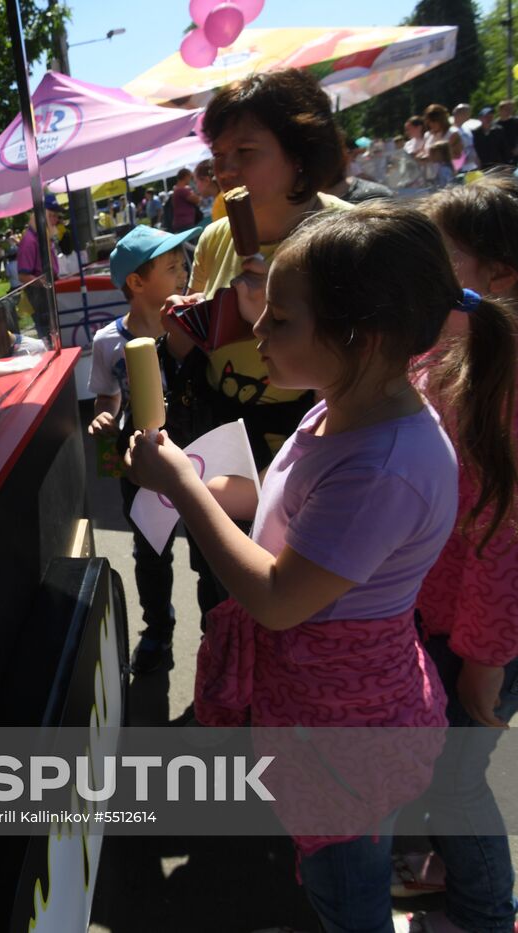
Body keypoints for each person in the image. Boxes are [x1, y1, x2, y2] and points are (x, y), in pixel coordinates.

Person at [128, 201, 512, 933]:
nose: (256, 332)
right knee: (345, 863)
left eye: (280, 320)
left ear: (358, 338)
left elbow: (276, 597)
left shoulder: (385, 463)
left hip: (344, 729)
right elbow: (287, 505)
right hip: (338, 714)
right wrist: (184, 480)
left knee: (346, 891)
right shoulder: (344, 405)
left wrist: (181, 486)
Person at [162, 67, 352, 622]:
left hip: (311, 435)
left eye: (246, 152)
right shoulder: (217, 235)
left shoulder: (345, 235)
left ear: (298, 154)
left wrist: (271, 311)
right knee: (219, 580)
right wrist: (185, 327)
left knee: (293, 598)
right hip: (222, 429)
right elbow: (188, 351)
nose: (226, 171)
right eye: (219, 155)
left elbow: (364, 362)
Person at [398, 172, 518, 933]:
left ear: (500, 276)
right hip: (438, 616)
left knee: (454, 779)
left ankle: (485, 914)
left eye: (439, 267)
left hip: (482, 633)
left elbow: (500, 536)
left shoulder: (503, 384)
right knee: (437, 769)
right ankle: (451, 868)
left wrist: (483, 655)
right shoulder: (444, 352)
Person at [88, 225, 196, 675]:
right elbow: (107, 395)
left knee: (209, 549)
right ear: (136, 281)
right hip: (144, 458)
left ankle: (220, 629)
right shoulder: (108, 341)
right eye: (172, 267)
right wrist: (103, 417)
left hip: (196, 447)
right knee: (151, 551)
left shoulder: (193, 320)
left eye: (182, 263)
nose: (184, 271)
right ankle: (157, 631)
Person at [17, 198, 61, 345]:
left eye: (56, 216)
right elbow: (23, 275)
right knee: (49, 337)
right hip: (40, 295)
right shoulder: (29, 240)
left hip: (48, 290)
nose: (56, 220)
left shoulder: (43, 236)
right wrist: (44, 283)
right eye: (53, 216)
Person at [423, 104, 465, 174]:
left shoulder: (452, 133)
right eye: (429, 121)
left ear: (442, 120)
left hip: (448, 173)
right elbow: (424, 152)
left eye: (434, 121)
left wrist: (435, 157)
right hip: (430, 175)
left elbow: (458, 155)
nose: (431, 124)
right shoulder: (427, 135)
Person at [166, 168, 201, 233]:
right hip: (185, 223)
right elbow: (197, 200)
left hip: (182, 223)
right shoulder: (181, 190)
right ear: (186, 176)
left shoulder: (177, 189)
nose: (190, 180)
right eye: (190, 177)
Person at [450, 103, 480, 172]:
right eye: (467, 112)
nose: (469, 115)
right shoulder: (451, 131)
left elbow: (472, 147)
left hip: (471, 167)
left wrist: (477, 161)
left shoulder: (467, 129)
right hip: (459, 168)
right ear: (459, 114)